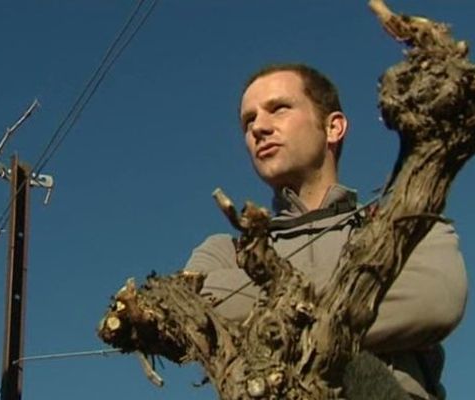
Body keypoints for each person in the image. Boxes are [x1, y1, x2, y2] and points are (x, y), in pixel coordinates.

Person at [184, 64, 468, 399]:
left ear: (333, 127)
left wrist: (260, 308)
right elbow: (196, 314)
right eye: (248, 121)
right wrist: (364, 285)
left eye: (278, 108)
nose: (258, 127)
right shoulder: (225, 250)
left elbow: (432, 301)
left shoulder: (405, 223)